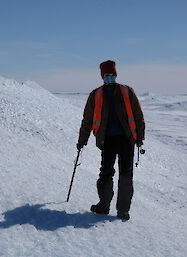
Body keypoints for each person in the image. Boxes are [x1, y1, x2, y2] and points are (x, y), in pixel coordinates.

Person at [76, 60, 145, 220]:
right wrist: (82, 140)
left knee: (126, 175)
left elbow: (138, 115)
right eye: (106, 75)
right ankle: (104, 206)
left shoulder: (127, 91)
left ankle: (123, 210)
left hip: (126, 140)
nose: (109, 77)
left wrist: (139, 137)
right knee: (106, 173)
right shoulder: (96, 94)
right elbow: (87, 120)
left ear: (115, 74)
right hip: (107, 140)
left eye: (111, 74)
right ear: (102, 76)